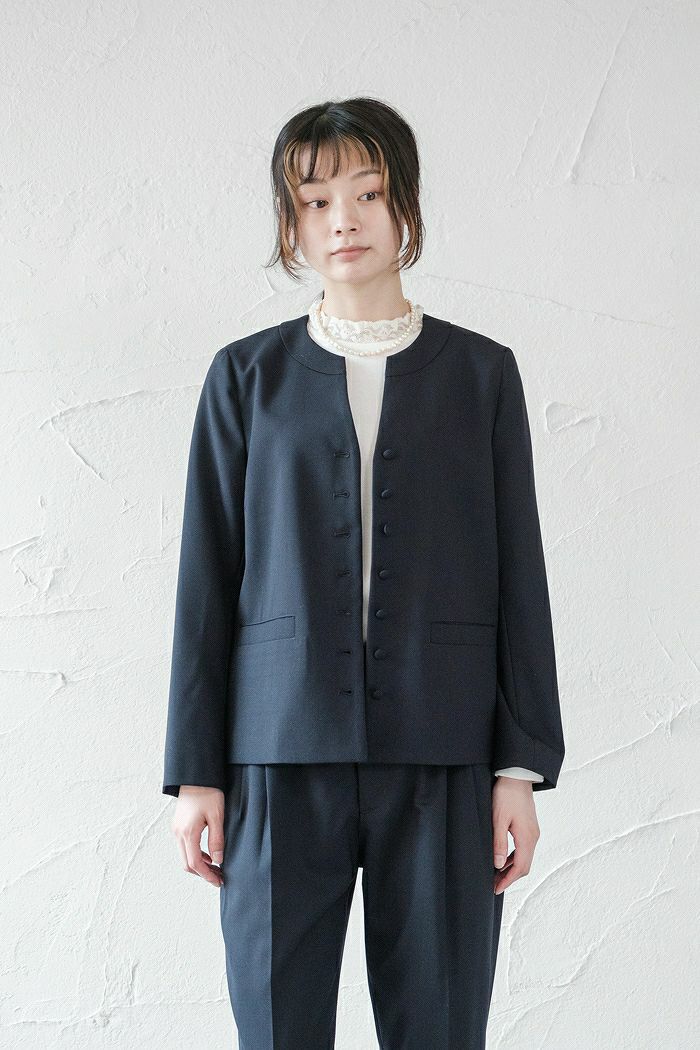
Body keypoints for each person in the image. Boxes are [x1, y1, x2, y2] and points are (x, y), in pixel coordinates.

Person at [162, 96, 565, 1049]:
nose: (342, 220)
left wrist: (518, 767)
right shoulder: (244, 378)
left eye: (368, 193)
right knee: (277, 1027)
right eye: (315, 202)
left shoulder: (482, 375)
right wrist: (196, 774)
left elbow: (519, 573)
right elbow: (206, 580)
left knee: (440, 1026)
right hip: (275, 751)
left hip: (443, 749)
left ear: (405, 206)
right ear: (291, 225)